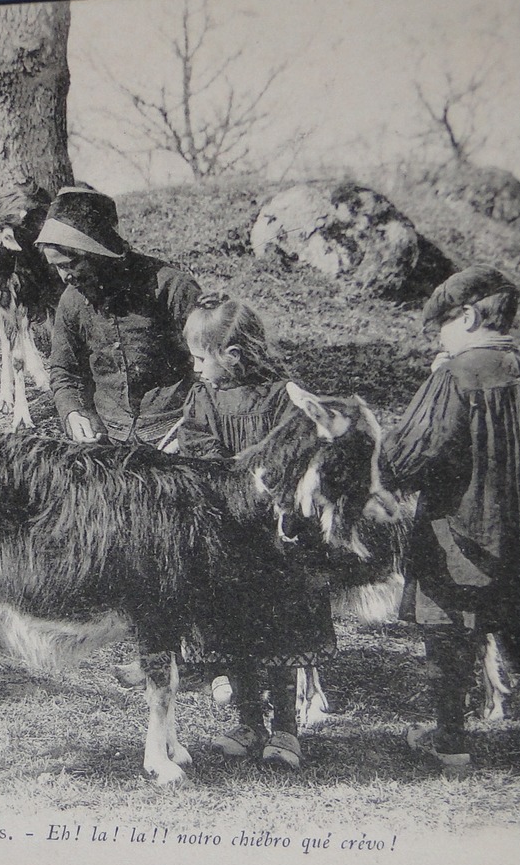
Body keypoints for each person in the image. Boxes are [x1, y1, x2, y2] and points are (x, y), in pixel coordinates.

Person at [380, 265, 520, 775]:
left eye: (443, 323)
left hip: (460, 535)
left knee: (448, 635)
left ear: (468, 317)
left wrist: (427, 388)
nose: (441, 337)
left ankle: (451, 743)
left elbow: (404, 460)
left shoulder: (453, 375)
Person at [172, 293, 336, 770]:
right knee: (235, 629)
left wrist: (266, 480)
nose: (195, 367)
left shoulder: (283, 398)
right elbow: (196, 449)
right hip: (229, 534)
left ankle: (285, 730)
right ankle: (249, 722)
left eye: (201, 358)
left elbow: (297, 451)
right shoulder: (203, 398)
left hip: (280, 539)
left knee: (281, 635)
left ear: (233, 355)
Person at [38, 186, 201, 444]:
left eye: (71, 265)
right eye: (56, 267)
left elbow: (211, 366)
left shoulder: (172, 287)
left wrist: (194, 428)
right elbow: (64, 371)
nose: (64, 276)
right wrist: (72, 413)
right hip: (109, 438)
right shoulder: (72, 300)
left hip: (172, 432)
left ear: (98, 253)